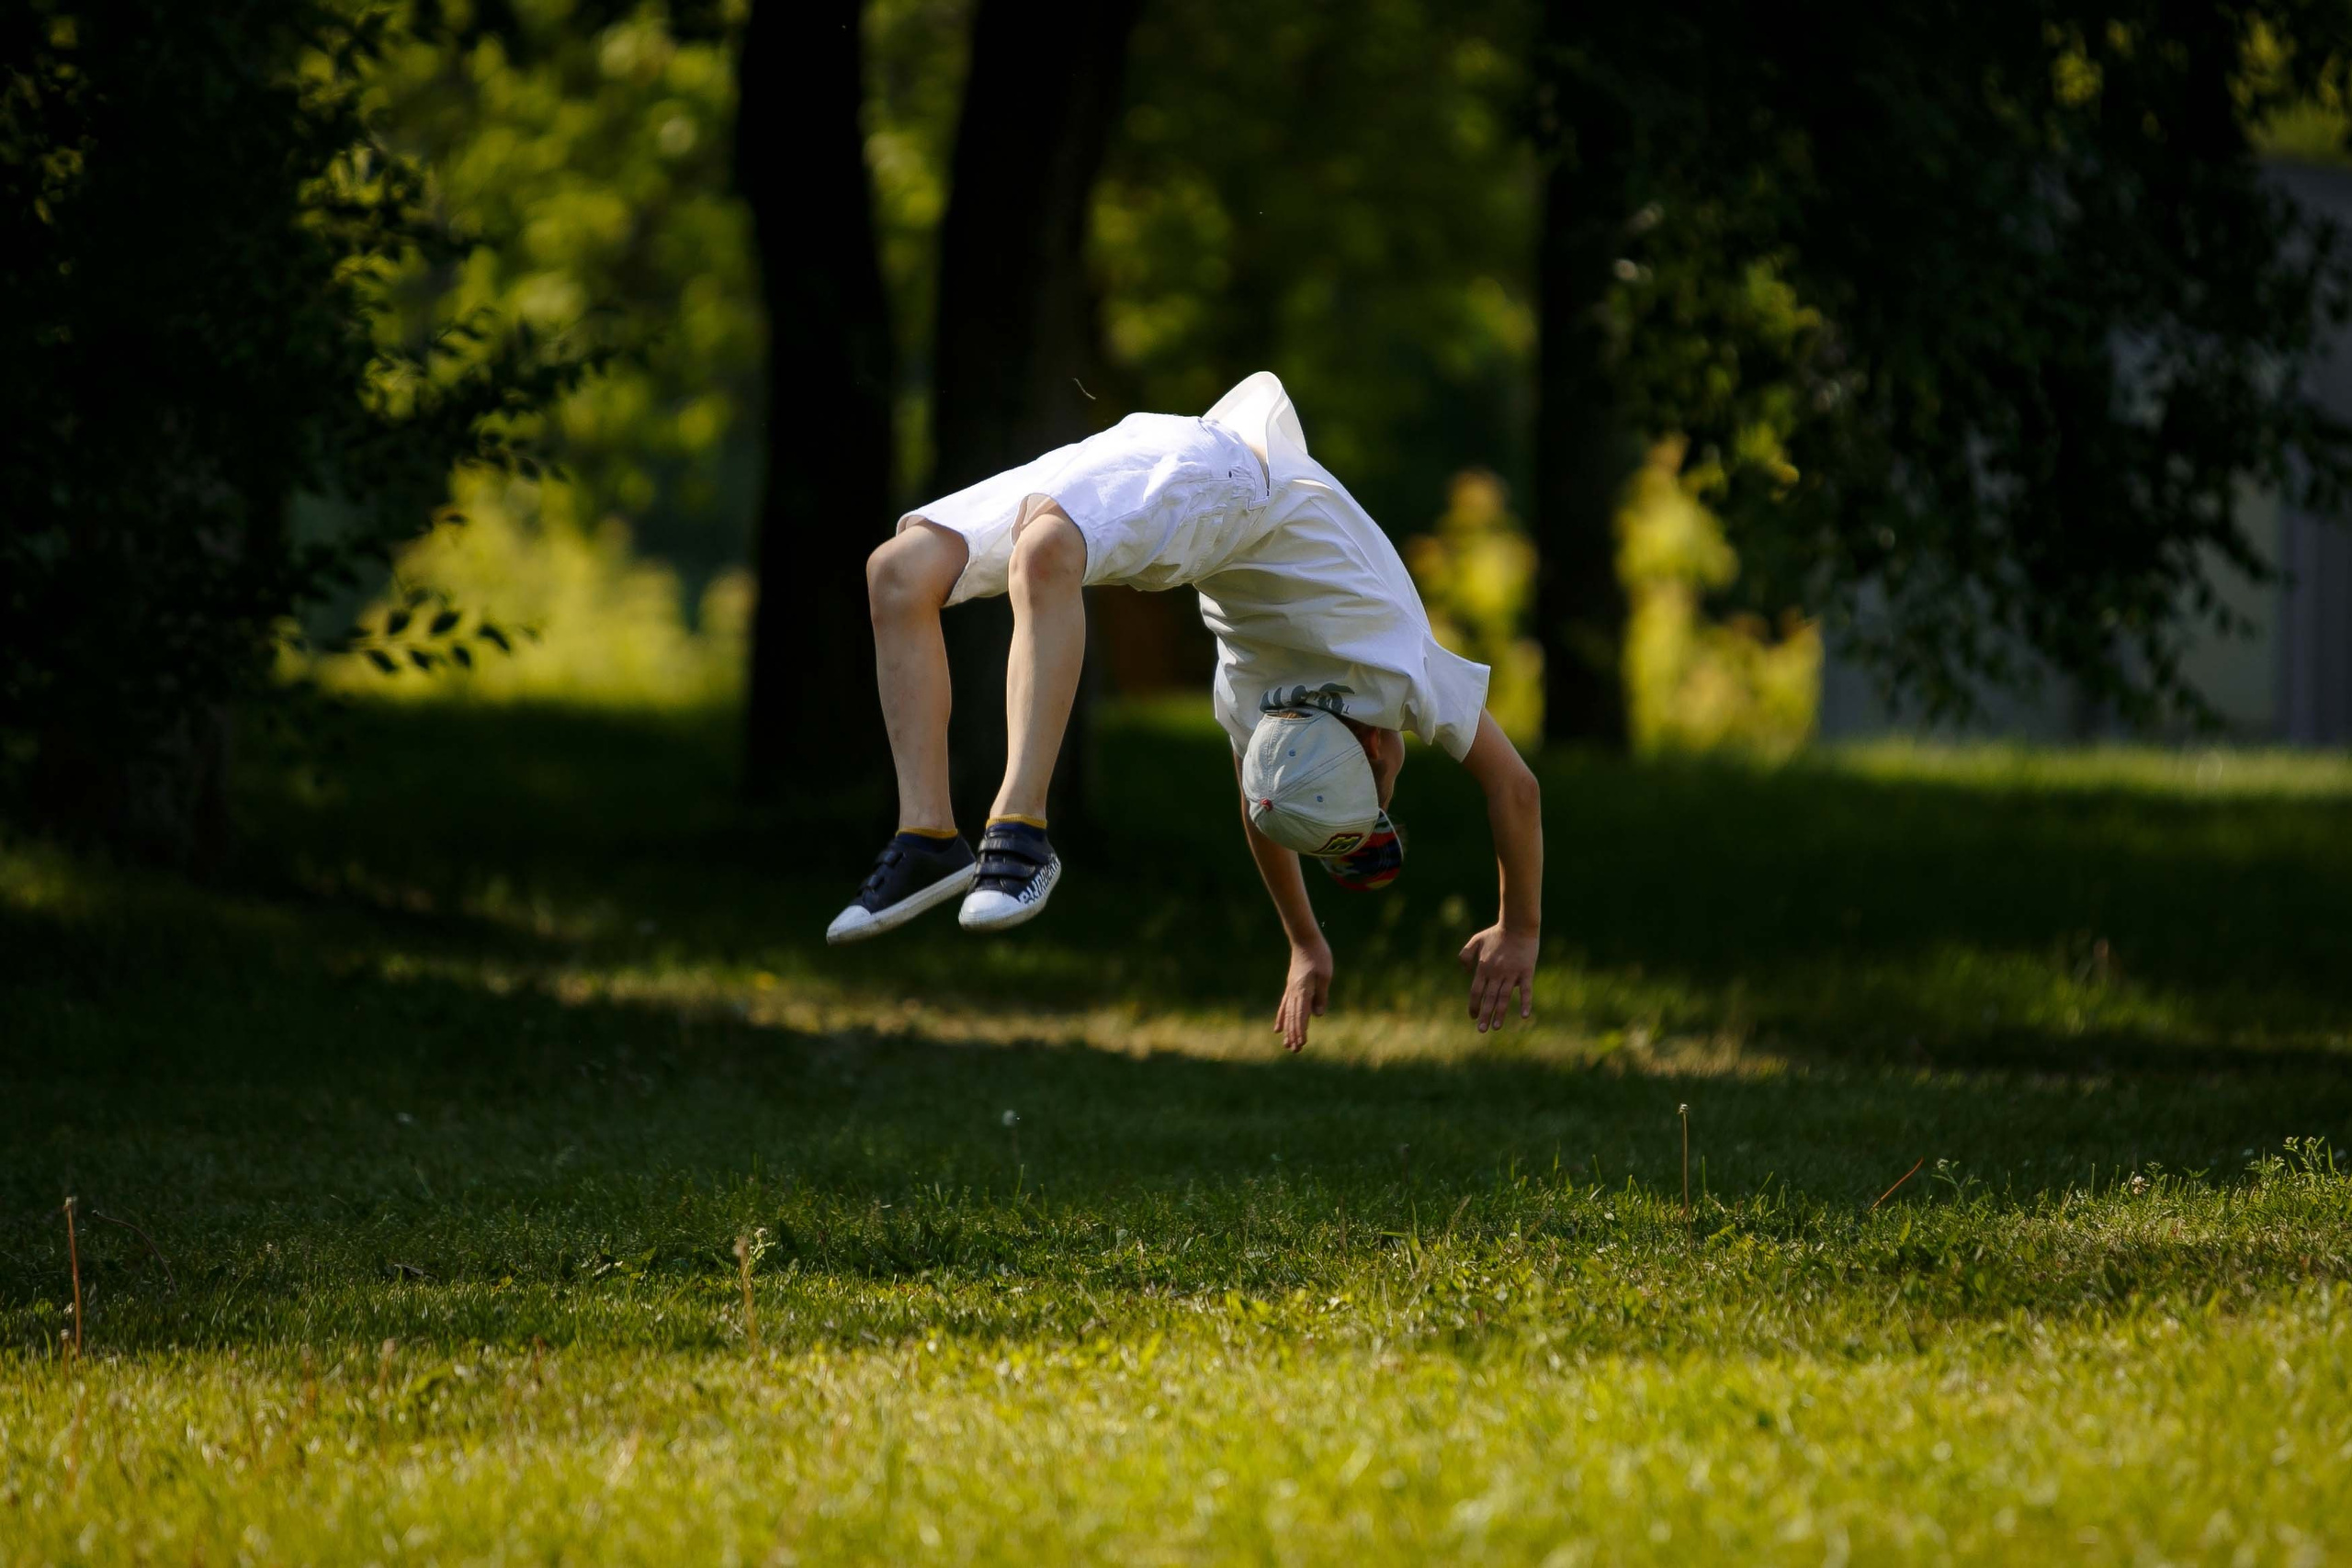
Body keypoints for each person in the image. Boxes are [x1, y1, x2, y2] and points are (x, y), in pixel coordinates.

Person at [827, 371, 1543, 1051]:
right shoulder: (1398, 665)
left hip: (1192, 484)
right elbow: (1511, 789)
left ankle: (928, 834)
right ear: (1374, 751)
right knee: (1045, 551)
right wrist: (1520, 927)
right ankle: (1018, 829)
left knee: (897, 571)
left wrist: (1304, 938)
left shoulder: (1272, 706)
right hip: (1235, 481)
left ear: (1383, 754)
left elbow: (1267, 802)